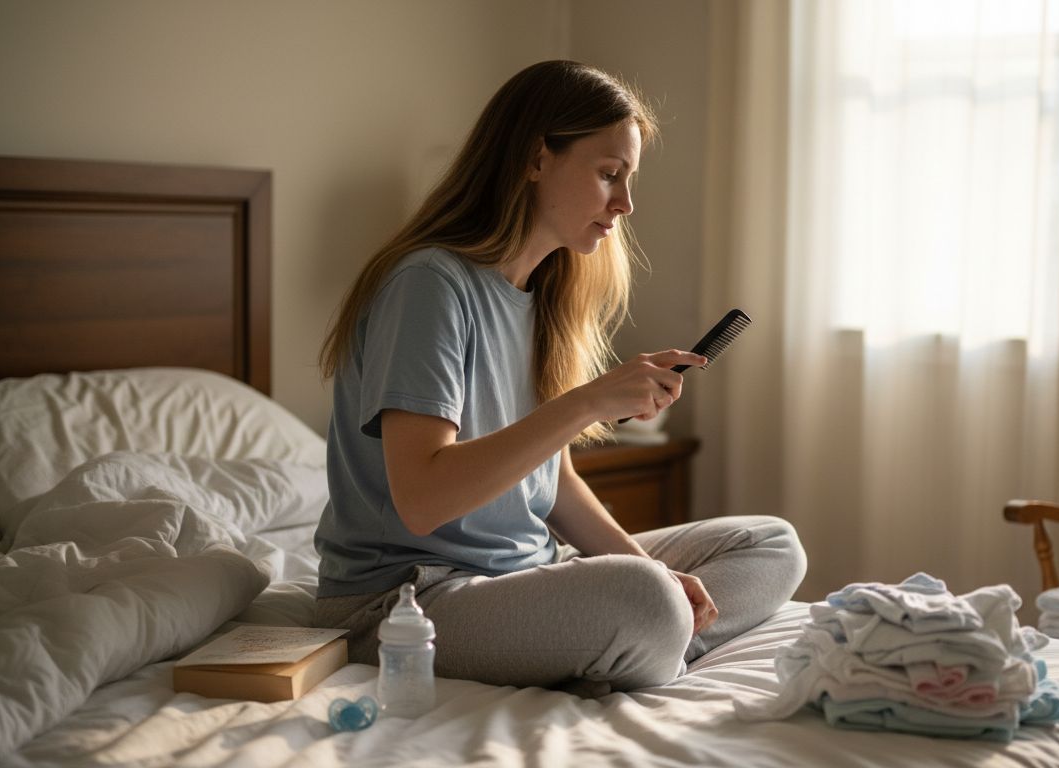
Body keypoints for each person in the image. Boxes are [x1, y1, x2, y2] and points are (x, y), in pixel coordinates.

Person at [313, 60, 807, 694]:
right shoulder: (429, 285)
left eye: (627, 179)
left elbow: (554, 487)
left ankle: (632, 645)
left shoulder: (538, 296)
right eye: (608, 175)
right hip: (406, 603)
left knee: (770, 544)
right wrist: (586, 404)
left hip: (518, 574)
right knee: (645, 599)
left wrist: (646, 569)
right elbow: (422, 500)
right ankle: (630, 643)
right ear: (534, 159)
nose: (625, 204)